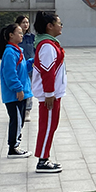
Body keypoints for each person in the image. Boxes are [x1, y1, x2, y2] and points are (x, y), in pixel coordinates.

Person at [32, 11, 66, 173]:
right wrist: (49, 94)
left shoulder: (49, 44)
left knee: (50, 126)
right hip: (50, 96)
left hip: (53, 94)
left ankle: (44, 157)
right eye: (59, 23)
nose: (61, 26)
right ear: (49, 26)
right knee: (47, 126)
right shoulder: (46, 46)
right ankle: (42, 161)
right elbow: (47, 72)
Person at [0, 23, 33, 159]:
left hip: (20, 93)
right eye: (19, 32)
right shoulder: (10, 53)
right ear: (11, 35)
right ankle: (13, 148)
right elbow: (10, 74)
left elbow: (22, 69)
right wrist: (18, 89)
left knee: (19, 121)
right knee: (16, 121)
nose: (21, 35)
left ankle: (15, 146)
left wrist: (32, 62)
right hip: (15, 95)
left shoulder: (17, 51)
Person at [15, 15, 35, 122]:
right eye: (23, 22)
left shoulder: (32, 37)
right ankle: (19, 110)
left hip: (30, 68)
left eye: (27, 22)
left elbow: (36, 51)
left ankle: (27, 111)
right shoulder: (15, 38)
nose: (26, 24)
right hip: (19, 68)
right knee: (19, 89)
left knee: (28, 90)